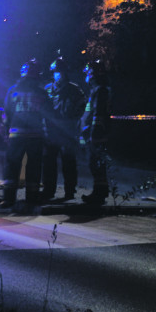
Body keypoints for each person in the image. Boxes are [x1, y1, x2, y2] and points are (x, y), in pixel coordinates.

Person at [0, 58, 49, 209]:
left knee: (12, 166)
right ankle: (31, 199)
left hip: (16, 135)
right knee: (34, 168)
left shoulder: (13, 90)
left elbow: (6, 112)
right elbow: (49, 115)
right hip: (36, 136)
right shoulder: (42, 92)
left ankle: (8, 199)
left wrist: (5, 130)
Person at [41, 58, 87, 202]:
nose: (59, 75)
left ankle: (69, 192)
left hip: (68, 132)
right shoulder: (47, 89)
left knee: (69, 163)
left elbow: (82, 107)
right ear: (53, 74)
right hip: (51, 132)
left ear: (66, 73)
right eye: (56, 72)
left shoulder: (75, 90)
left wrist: (73, 119)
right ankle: (48, 191)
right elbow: (41, 107)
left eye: (61, 72)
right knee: (49, 163)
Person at [80, 58, 112, 205]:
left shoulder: (100, 91)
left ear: (93, 74)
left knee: (96, 163)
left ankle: (99, 194)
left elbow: (98, 114)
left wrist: (93, 134)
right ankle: (100, 191)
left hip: (97, 134)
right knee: (95, 163)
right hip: (94, 133)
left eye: (88, 73)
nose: (86, 76)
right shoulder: (97, 90)